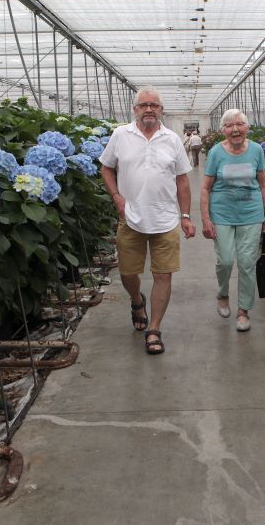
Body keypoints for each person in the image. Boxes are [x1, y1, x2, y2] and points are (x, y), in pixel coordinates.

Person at [99, 87, 196, 354]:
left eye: (154, 105)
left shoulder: (172, 139)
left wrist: (185, 216)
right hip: (130, 217)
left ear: (161, 110)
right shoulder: (121, 135)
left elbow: (182, 179)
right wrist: (117, 197)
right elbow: (106, 167)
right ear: (135, 109)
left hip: (166, 218)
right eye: (144, 105)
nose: (149, 109)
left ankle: (154, 329)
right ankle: (136, 300)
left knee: (163, 274)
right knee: (128, 272)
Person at [200, 109, 265, 332]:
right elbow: (205, 188)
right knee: (225, 260)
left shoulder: (256, 150)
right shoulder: (216, 152)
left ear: (247, 127)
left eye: (240, 124)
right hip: (222, 213)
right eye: (229, 125)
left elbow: (263, 184)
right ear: (223, 130)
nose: (235, 130)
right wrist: (205, 219)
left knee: (246, 263)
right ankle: (223, 294)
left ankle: (243, 310)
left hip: (251, 213)